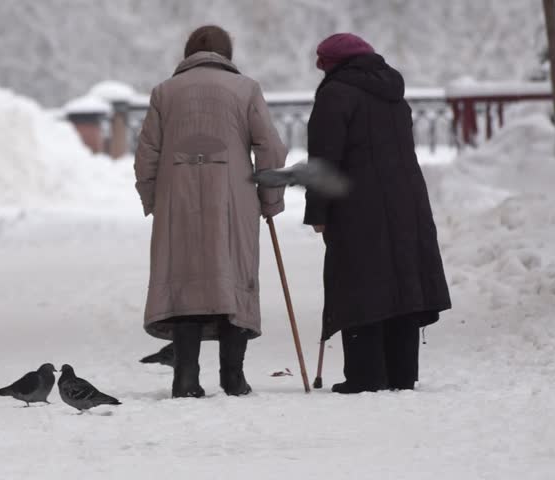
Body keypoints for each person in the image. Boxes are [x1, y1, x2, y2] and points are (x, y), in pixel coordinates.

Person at [134, 25, 287, 398]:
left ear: (188, 53)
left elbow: (146, 157)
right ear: (227, 54)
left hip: (178, 200)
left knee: (185, 281)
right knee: (232, 276)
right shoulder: (246, 89)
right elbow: (271, 149)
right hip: (234, 199)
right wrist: (270, 200)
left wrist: (154, 199)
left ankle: (184, 378)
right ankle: (233, 377)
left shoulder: (164, 93)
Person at [304, 33, 452, 394]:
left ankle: (366, 374)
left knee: (360, 278)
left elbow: (325, 159)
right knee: (401, 279)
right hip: (406, 199)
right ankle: (401, 372)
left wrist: (318, 211)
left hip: (357, 202)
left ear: (331, 64)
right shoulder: (393, 91)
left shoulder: (335, 94)